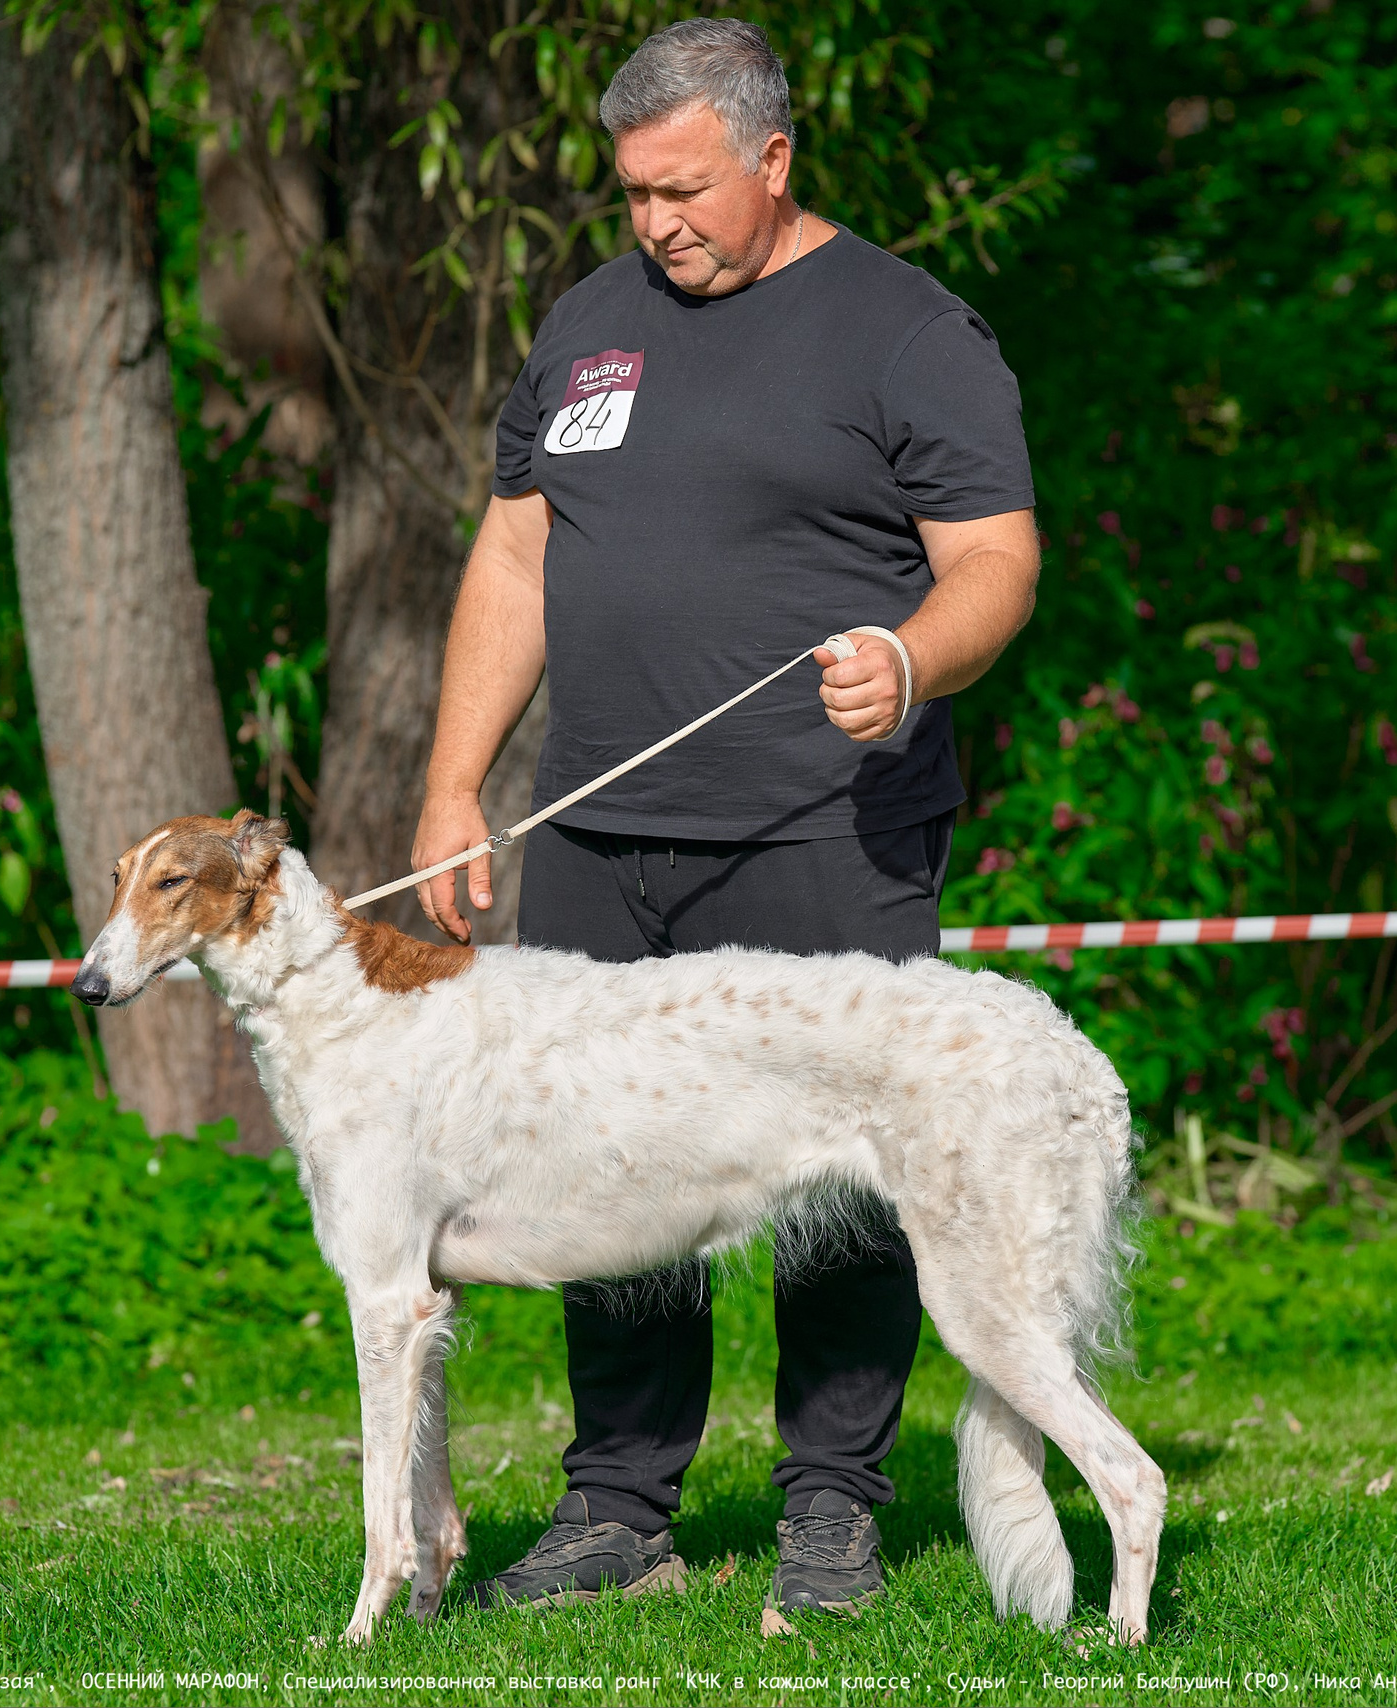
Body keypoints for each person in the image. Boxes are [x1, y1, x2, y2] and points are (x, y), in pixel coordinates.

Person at [407, 16, 1039, 1617]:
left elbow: (996, 561)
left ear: (774, 156)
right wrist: (454, 782)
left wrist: (914, 660)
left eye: (685, 191)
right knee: (606, 1171)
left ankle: (834, 1510)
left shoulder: (908, 330)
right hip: (602, 840)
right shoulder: (588, 326)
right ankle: (619, 1508)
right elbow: (515, 555)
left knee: (842, 1188)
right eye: (634, 194)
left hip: (826, 832)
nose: (658, 223)